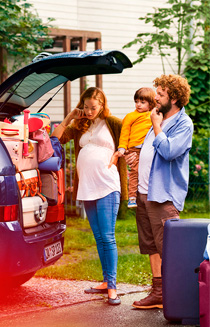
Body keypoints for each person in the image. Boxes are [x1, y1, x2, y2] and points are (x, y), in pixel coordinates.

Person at [110, 75, 193, 310]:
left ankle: (178, 296)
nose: (155, 97)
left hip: (163, 194)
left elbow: (168, 151)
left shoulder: (182, 124)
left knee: (169, 247)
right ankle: (158, 292)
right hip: (145, 192)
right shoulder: (158, 117)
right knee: (151, 245)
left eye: (161, 94)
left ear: (174, 98)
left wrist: (156, 126)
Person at [52, 87, 128, 306]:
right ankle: (105, 282)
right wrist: (68, 118)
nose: (89, 110)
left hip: (107, 185)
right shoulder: (80, 126)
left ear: (102, 105)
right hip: (87, 187)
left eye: (93, 107)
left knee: (108, 236)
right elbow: (55, 140)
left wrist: (120, 152)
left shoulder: (113, 123)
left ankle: (112, 287)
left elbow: (131, 142)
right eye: (85, 107)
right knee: (98, 237)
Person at [117, 87, 157, 208]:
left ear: (150, 103)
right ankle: (132, 197)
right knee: (135, 172)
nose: (138, 104)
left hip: (149, 149)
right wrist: (122, 147)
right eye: (136, 101)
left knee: (150, 171)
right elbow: (124, 132)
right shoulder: (130, 116)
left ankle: (151, 193)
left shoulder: (154, 115)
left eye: (142, 102)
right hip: (134, 149)